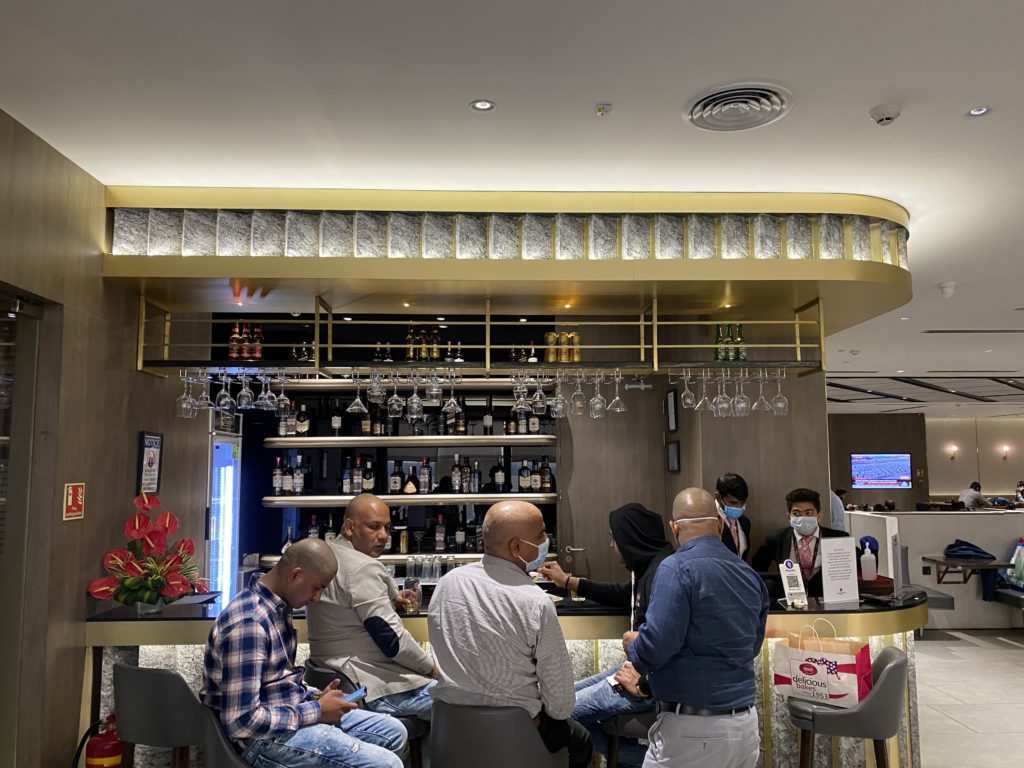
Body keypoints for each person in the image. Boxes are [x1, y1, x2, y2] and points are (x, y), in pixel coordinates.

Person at [201, 539, 407, 768]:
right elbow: (241, 721)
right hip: (260, 741)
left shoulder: (278, 607)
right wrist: (317, 711)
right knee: (389, 765)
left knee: (394, 731)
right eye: (317, 587)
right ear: (295, 575)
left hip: (287, 713)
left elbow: (277, 681)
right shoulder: (250, 624)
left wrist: (316, 697)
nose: (317, 598)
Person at [428, 500, 593, 768]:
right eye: (541, 534)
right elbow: (560, 705)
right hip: (518, 733)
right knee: (582, 740)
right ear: (516, 548)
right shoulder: (535, 602)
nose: (546, 540)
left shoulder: (447, 584)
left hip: (450, 728)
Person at [622, 488, 768, 768]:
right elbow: (751, 647)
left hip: (693, 730)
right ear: (720, 524)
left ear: (674, 528)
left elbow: (656, 648)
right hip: (745, 729)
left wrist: (634, 645)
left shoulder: (675, 568)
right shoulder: (749, 575)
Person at [538, 502, 673, 767]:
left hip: (649, 681)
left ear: (629, 538)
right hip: (639, 669)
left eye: (614, 538)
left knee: (558, 711)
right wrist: (568, 581)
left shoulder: (664, 573)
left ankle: (650, 762)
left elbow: (668, 640)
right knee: (555, 700)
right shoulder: (647, 567)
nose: (612, 545)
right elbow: (623, 594)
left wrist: (646, 682)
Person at [307, 493, 436, 722]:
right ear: (349, 527)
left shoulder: (327, 554)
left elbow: (346, 604)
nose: (384, 536)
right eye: (374, 527)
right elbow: (392, 641)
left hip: (329, 672)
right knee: (455, 699)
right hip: (368, 683)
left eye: (387, 528)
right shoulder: (362, 568)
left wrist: (391, 599)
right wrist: (430, 667)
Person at [751, 488, 853, 599]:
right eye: (796, 513)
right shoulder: (776, 539)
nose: (803, 517)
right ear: (789, 517)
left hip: (825, 598)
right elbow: (758, 567)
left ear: (819, 515)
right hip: (789, 599)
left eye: (809, 513)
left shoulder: (838, 539)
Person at [715, 472, 752, 560]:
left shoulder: (745, 522)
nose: (739, 507)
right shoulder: (709, 521)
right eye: (733, 503)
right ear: (718, 497)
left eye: (742, 502)